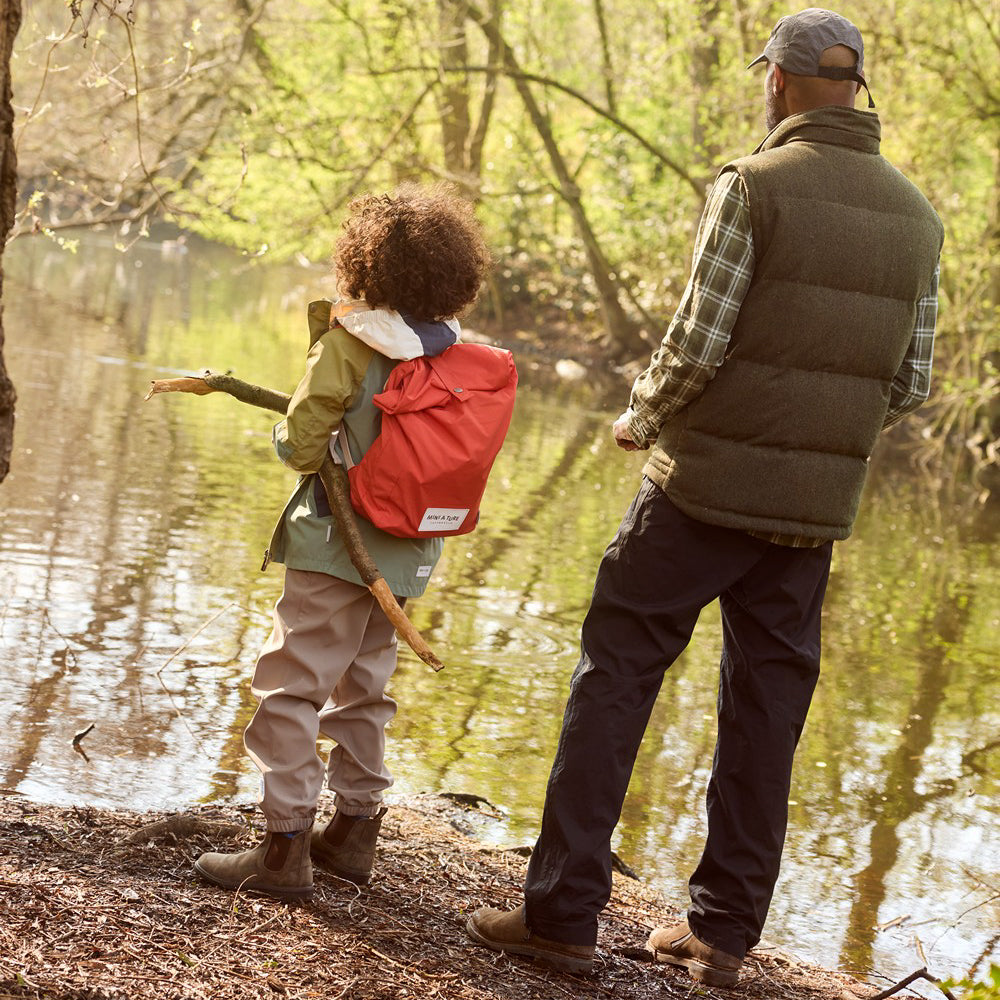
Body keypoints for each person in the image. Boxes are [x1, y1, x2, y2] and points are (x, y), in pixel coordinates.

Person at [465, 7, 942, 988]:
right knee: (767, 711)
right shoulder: (917, 219)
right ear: (855, 89)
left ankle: (559, 913)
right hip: (811, 520)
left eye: (763, 75)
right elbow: (911, 383)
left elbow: (697, 341)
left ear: (778, 83)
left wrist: (639, 415)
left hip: (700, 493)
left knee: (616, 672)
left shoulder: (752, 186)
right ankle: (720, 937)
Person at [195, 185, 491, 900]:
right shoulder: (456, 356)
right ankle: (355, 831)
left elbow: (300, 448)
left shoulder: (350, 345)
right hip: (409, 553)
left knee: (291, 686)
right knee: (364, 687)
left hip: (336, 544)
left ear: (366, 266)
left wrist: (292, 425)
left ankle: (283, 847)